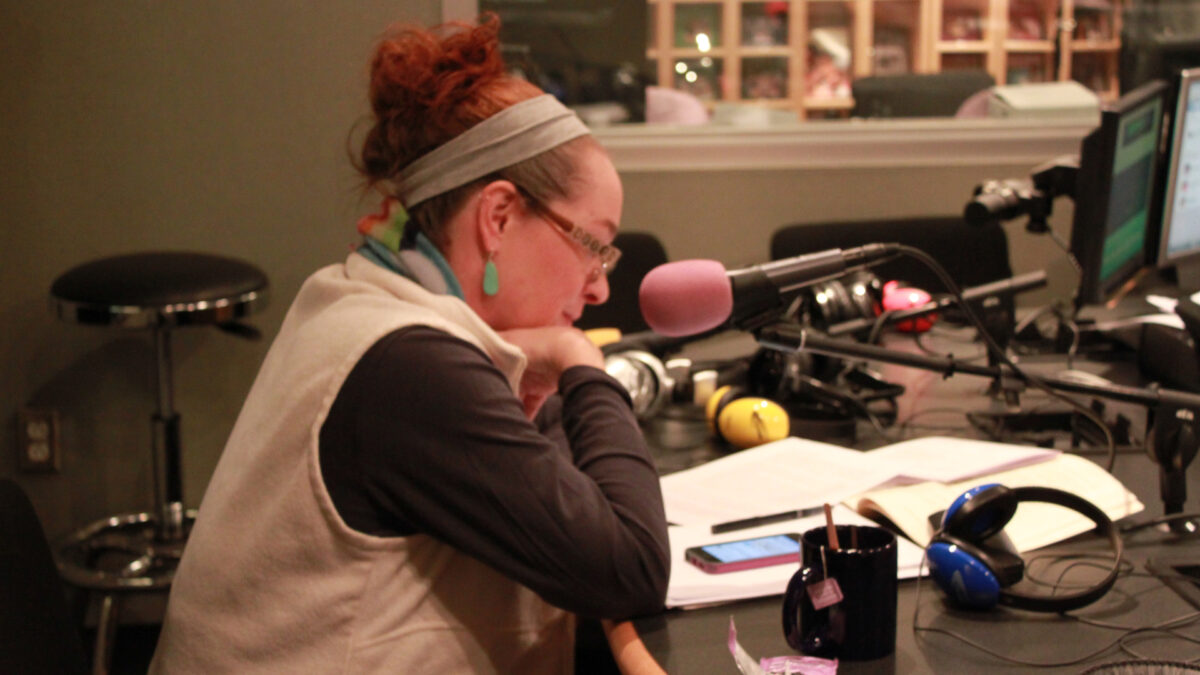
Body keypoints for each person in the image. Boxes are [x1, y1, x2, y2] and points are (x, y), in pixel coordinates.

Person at [150, 15, 669, 674]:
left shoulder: (359, 294)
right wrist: (579, 363)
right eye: (594, 245)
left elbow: (575, 507)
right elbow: (631, 566)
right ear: (499, 216)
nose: (599, 288)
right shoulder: (412, 366)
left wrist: (539, 367)